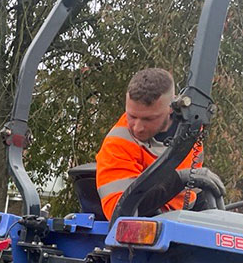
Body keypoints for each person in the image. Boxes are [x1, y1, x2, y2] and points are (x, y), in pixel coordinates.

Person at [96, 67, 225, 219]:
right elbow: (120, 212)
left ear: (172, 107)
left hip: (182, 218)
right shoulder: (118, 143)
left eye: (148, 119)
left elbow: (192, 195)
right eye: (132, 116)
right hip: (142, 230)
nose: (137, 127)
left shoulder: (191, 130)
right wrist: (180, 179)